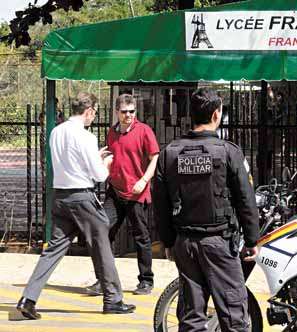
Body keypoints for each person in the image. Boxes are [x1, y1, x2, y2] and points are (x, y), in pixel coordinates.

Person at [16, 92, 135, 320]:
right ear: (89, 111)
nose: (94, 117)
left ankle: (28, 298)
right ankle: (113, 300)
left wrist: (93, 157)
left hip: (60, 197)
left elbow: (69, 162)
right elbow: (99, 176)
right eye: (94, 113)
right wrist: (105, 162)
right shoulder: (86, 137)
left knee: (52, 251)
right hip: (83, 198)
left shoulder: (56, 132)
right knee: (102, 247)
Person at [153, 88, 260, 332]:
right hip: (219, 242)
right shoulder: (229, 152)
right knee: (233, 314)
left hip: (185, 243)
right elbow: (246, 198)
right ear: (216, 114)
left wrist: (169, 242)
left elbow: (160, 204)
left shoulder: (169, 153)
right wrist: (252, 239)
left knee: (191, 316)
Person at [86, 94, 160, 296]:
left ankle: (146, 280)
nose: (128, 115)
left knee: (141, 237)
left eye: (132, 111)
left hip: (137, 193)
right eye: (124, 111)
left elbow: (155, 158)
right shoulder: (112, 133)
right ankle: (104, 280)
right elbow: (112, 157)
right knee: (103, 230)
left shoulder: (144, 131)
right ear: (116, 112)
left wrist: (144, 180)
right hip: (115, 192)